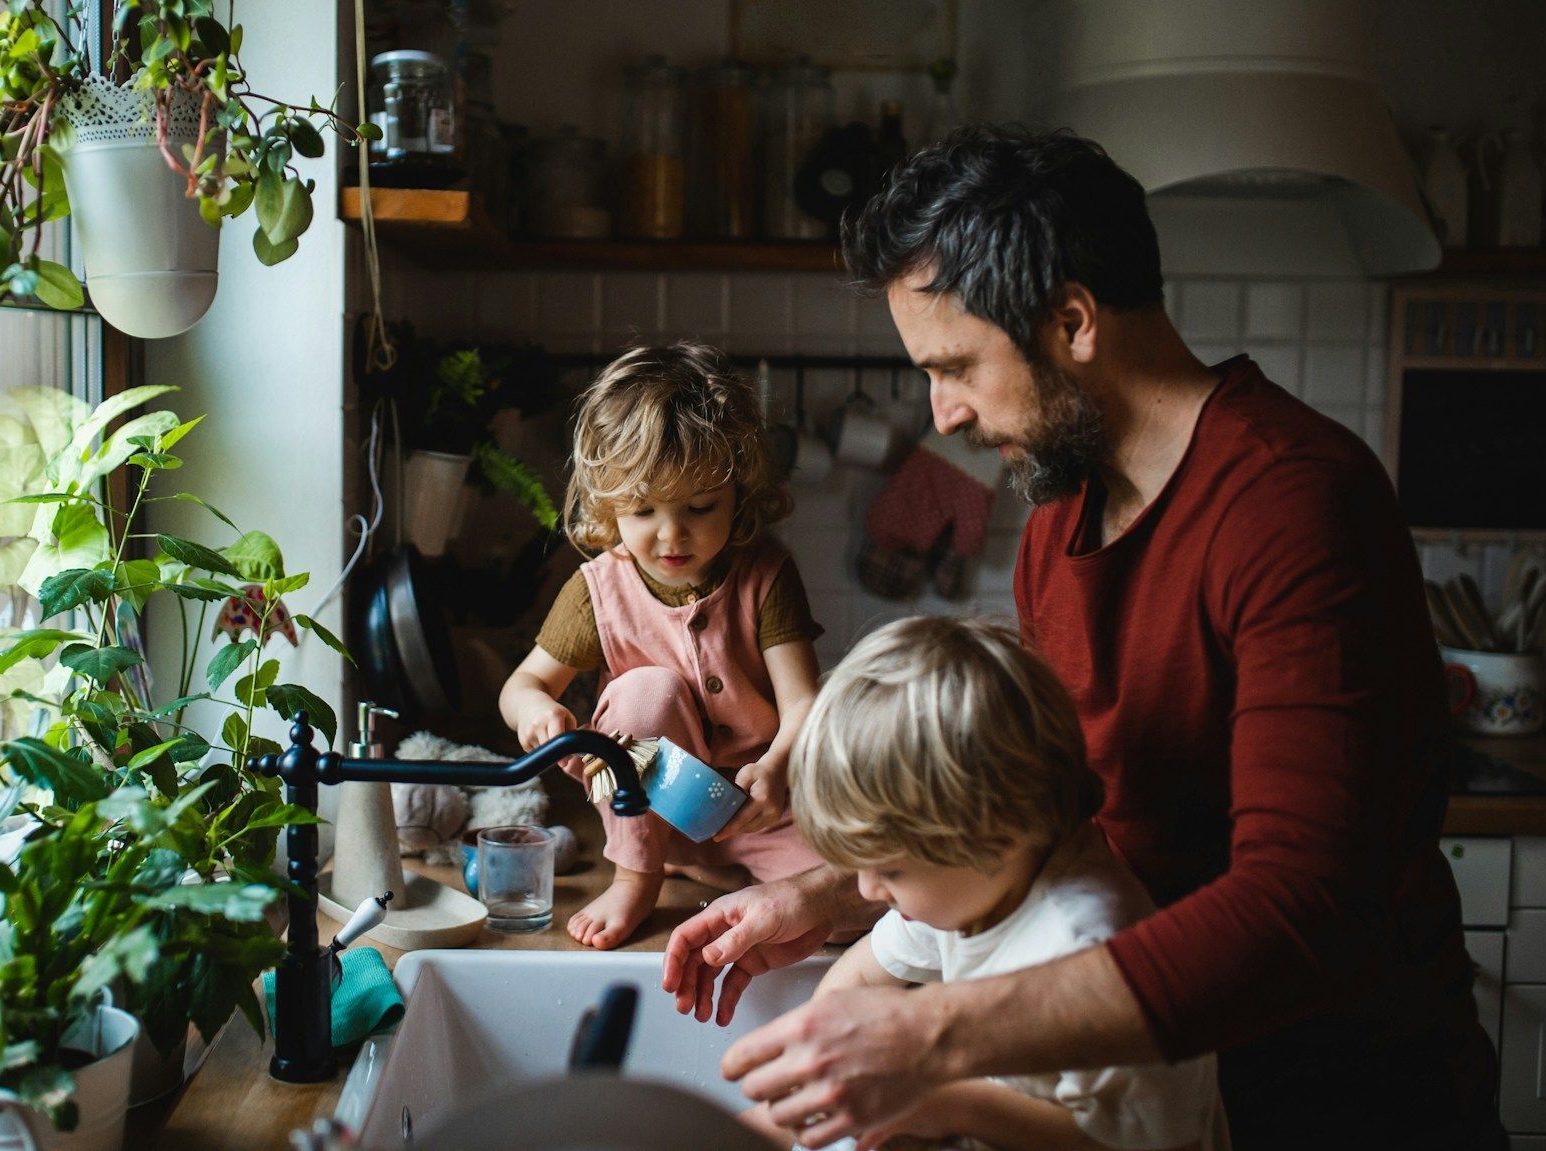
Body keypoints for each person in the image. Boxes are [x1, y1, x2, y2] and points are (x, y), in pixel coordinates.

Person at [660, 125, 1500, 1149]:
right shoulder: (1062, 517)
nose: (948, 414)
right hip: (1149, 1091)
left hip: (1341, 1105)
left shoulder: (1293, 501)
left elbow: (1304, 905)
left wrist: (931, 1035)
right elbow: (1032, 806)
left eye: (957, 365)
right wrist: (833, 888)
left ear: (1072, 319)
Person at [744, 615, 1226, 1151]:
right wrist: (786, 1102)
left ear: (998, 834)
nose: (865, 891)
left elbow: (1138, 1144)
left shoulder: (1086, 949)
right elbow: (858, 983)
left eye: (890, 870)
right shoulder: (974, 885)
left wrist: (941, 1103)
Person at [499, 343, 825, 949]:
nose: (671, 534)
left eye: (700, 507)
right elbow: (521, 686)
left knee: (849, 907)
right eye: (643, 510)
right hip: (649, 804)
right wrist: (537, 712)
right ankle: (638, 875)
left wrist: (777, 771)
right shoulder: (598, 589)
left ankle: (717, 861)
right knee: (645, 691)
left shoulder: (767, 574)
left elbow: (805, 701)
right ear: (608, 505)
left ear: (740, 498)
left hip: (759, 807)